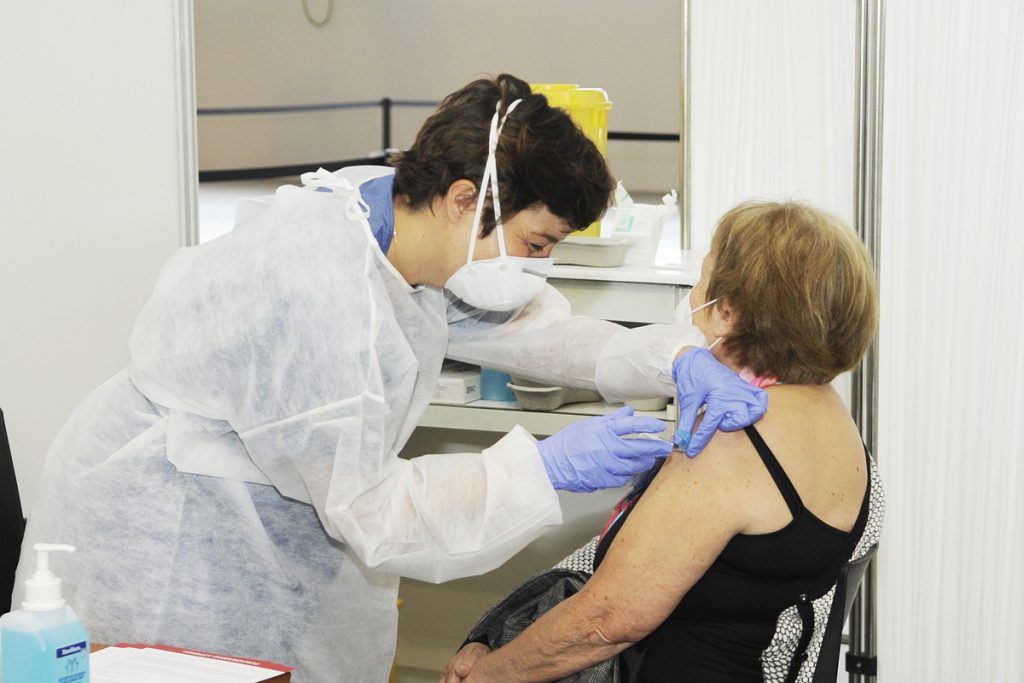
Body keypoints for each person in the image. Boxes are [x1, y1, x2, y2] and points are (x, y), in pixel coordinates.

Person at [13, 75, 764, 681]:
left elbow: (526, 327)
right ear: (467, 199)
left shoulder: (398, 218)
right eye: (536, 242)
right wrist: (544, 467)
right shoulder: (315, 285)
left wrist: (669, 356)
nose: (539, 268)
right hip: (174, 542)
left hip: (274, 524)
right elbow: (371, 507)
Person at [443, 200, 885, 682]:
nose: (694, 293)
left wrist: (489, 674)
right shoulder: (830, 416)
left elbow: (605, 622)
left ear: (726, 313)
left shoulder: (731, 440)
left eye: (703, 276)